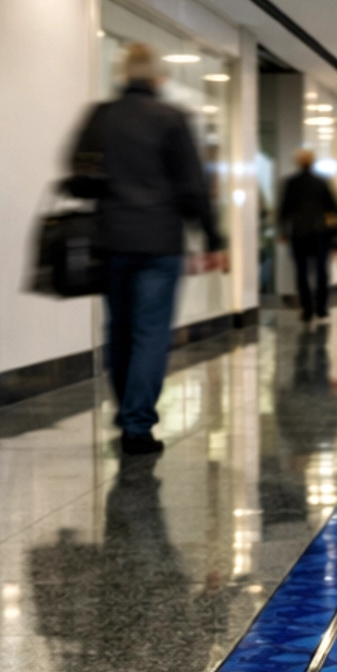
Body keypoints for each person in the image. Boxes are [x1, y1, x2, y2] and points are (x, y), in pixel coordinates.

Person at [66, 41, 225, 456]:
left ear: (123, 74)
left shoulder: (101, 116)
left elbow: (77, 176)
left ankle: (128, 414)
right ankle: (137, 425)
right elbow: (193, 186)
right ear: (157, 77)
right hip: (159, 242)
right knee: (150, 333)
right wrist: (213, 238)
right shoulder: (171, 118)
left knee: (119, 329)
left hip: (113, 240)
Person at [277, 147, 337, 323]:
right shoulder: (322, 182)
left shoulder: (291, 183)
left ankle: (307, 308)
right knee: (321, 270)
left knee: (302, 271)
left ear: (297, 162)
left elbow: (285, 209)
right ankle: (322, 308)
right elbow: (333, 207)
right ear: (313, 162)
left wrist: (283, 231)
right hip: (321, 232)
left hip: (299, 232)